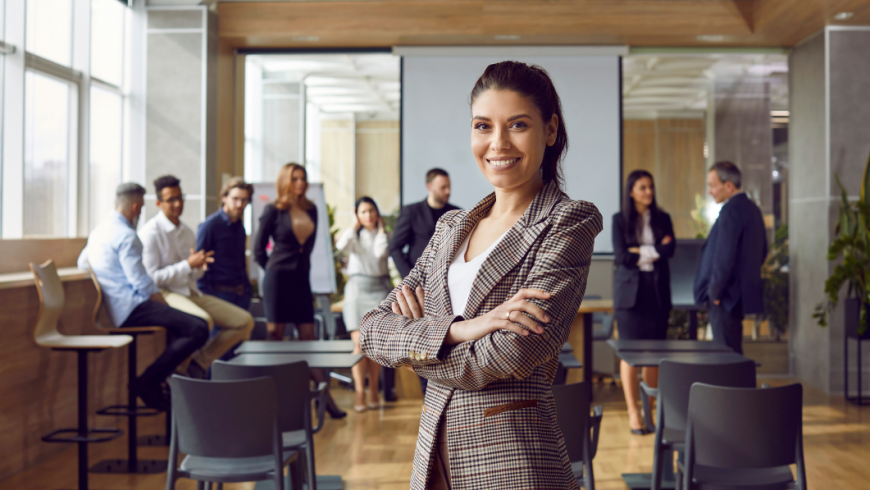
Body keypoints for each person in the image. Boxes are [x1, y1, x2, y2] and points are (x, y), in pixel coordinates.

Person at [360, 61, 602, 490]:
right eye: (483, 126)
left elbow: (512, 353)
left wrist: (417, 346)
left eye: (518, 125)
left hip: (512, 462)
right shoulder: (451, 227)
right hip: (433, 458)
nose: (498, 143)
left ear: (549, 130)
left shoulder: (567, 222)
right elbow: (372, 331)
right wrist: (462, 330)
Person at [78, 183, 209, 410]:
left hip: (116, 308)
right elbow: (140, 282)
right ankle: (149, 381)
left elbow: (82, 263)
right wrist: (161, 302)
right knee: (197, 328)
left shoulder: (99, 231)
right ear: (136, 207)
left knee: (185, 326)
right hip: (131, 308)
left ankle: (163, 383)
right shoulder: (128, 236)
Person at [254, 162, 346, 419]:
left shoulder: (312, 209)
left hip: (301, 281)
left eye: (303, 178)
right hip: (278, 279)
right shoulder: (273, 210)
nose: (300, 183)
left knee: (309, 339)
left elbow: (310, 248)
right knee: (276, 338)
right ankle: (270, 400)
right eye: (295, 178)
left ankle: (323, 397)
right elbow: (259, 250)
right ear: (285, 181)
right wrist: (273, 271)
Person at [139, 175, 255, 374]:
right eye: (171, 200)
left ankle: (198, 364)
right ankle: (181, 375)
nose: (178, 203)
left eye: (180, 197)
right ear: (159, 203)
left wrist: (198, 267)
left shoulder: (187, 232)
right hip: (165, 293)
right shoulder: (150, 232)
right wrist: (187, 265)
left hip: (190, 291)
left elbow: (193, 275)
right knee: (203, 322)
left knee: (245, 322)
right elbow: (152, 279)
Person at [612, 170, 675, 435]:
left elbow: (670, 250)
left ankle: (649, 411)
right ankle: (633, 411)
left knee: (653, 355)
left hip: (657, 293)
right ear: (631, 191)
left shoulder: (663, 218)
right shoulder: (619, 220)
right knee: (630, 355)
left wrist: (639, 250)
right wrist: (654, 251)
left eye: (650, 187)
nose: (648, 192)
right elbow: (621, 257)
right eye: (642, 187)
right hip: (630, 296)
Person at [389, 168, 459, 394]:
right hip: (418, 292)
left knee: (446, 343)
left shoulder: (457, 213)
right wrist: (410, 279)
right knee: (422, 344)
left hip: (449, 291)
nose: (447, 191)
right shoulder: (411, 212)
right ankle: (427, 397)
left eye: (448, 187)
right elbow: (395, 247)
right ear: (429, 187)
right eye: (442, 187)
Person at [694, 161, 767, 354]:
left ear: (728, 186)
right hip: (738, 296)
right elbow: (763, 251)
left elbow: (724, 258)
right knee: (733, 351)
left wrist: (716, 293)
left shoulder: (730, 211)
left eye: (712, 185)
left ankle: (737, 385)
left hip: (725, 297)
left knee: (726, 356)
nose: (709, 191)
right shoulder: (753, 210)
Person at [336, 197, 392, 413]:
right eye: (363, 212)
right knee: (358, 343)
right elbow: (341, 247)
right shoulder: (353, 235)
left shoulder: (383, 235)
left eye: (371, 211)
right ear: (357, 215)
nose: (368, 215)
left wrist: (379, 232)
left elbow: (381, 254)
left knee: (373, 344)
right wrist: (353, 225)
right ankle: (360, 390)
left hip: (379, 287)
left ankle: (373, 391)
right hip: (357, 289)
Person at [197, 177, 254, 311]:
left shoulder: (240, 227)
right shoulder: (210, 225)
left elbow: (240, 262)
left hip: (241, 294)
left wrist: (247, 289)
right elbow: (199, 264)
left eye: (244, 200)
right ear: (224, 197)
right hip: (218, 294)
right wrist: (208, 295)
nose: (240, 204)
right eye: (235, 199)